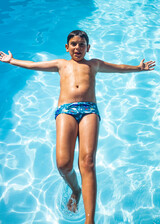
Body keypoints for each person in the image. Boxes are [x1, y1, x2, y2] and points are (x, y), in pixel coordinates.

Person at [0, 30, 155, 224]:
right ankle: (76, 189)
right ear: (67, 47)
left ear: (88, 48)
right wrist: (11, 61)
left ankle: (89, 221)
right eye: (73, 44)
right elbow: (33, 65)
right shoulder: (60, 64)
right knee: (63, 165)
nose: (77, 48)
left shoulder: (94, 64)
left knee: (88, 162)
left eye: (82, 44)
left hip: (89, 110)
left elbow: (118, 68)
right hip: (65, 110)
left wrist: (137, 68)